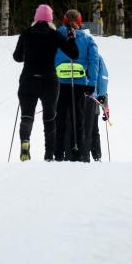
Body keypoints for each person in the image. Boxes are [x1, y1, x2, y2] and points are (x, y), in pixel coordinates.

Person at [12, 4, 80, 161]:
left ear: (36, 18)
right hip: (49, 81)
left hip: (28, 80)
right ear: (50, 19)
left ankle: (25, 143)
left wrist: (28, 54)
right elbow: (74, 54)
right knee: (50, 117)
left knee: (27, 116)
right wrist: (71, 38)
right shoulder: (54, 35)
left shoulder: (26, 33)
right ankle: (49, 155)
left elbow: (17, 57)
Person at [53, 9, 100, 162]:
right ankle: (78, 151)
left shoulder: (55, 37)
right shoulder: (87, 40)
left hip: (59, 83)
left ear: (63, 21)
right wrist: (92, 82)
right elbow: (94, 62)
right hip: (79, 83)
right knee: (78, 118)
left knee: (59, 118)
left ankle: (58, 153)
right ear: (80, 23)